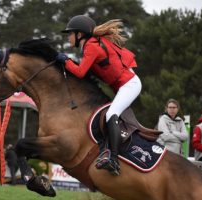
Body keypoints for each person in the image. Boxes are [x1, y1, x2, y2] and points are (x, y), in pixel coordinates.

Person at [56, 15, 142, 175]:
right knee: (108, 114)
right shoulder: (90, 46)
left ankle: (114, 159)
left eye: (70, 33)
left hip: (130, 85)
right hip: (124, 86)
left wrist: (66, 61)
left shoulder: (91, 47)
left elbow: (80, 72)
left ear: (79, 35)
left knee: (111, 114)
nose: (68, 37)